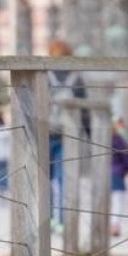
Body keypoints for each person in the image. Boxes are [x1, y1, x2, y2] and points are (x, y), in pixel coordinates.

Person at [46, 40, 87, 231]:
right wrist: (88, 132)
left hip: (45, 131)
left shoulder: (44, 75)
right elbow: (84, 109)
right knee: (65, 179)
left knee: (44, 178)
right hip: (69, 134)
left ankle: (46, 219)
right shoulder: (76, 78)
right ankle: (62, 220)